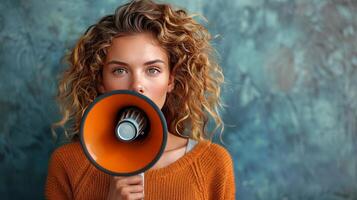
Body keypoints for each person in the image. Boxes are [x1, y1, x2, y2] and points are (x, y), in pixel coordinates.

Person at [45, 0, 235, 199]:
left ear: (170, 80)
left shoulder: (213, 164)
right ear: (101, 81)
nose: (137, 85)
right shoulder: (68, 164)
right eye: (120, 70)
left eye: (152, 70)